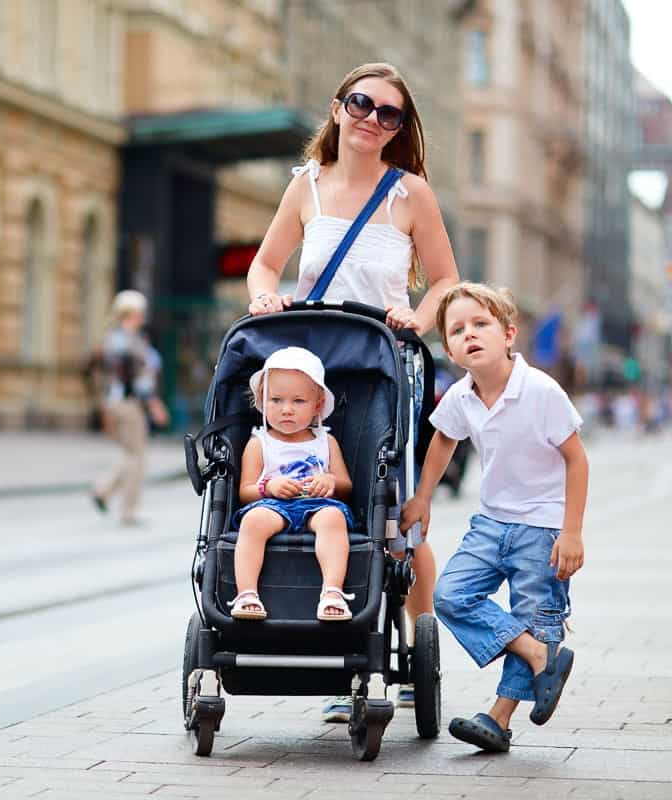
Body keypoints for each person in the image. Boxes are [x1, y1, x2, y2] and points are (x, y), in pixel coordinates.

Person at [245, 62, 460, 719]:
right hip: (312, 364)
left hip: (386, 363)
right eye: (361, 104)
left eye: (389, 113)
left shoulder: (410, 193)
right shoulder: (305, 187)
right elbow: (263, 263)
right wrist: (264, 297)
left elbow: (447, 281)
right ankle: (340, 650)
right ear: (338, 109)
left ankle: (409, 650)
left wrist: (418, 319)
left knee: (393, 515)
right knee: (322, 502)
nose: (372, 118)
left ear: (400, 128)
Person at [402, 283, 587, 753]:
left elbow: (577, 460)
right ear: (449, 349)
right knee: (449, 595)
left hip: (542, 528)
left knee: (535, 614)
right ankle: (538, 655)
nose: (470, 335)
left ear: (508, 334)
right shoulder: (462, 397)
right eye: (458, 330)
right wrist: (422, 498)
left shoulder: (541, 391)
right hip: (490, 524)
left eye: (480, 324)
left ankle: (498, 719)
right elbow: (443, 439)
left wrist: (571, 533)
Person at [230, 347, 357, 622]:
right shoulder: (259, 443)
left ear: (318, 405)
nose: (286, 409)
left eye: (298, 401)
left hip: (318, 504)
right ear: (262, 402)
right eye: (276, 400)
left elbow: (346, 485)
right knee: (252, 521)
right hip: (273, 504)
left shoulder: (326, 440)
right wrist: (269, 487)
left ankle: (332, 592)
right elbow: (245, 491)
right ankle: (247, 593)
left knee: (334, 518)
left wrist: (329, 481)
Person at [91, 290, 169, 526]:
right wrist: (154, 404)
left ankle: (103, 491)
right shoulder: (128, 342)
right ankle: (128, 510)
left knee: (130, 453)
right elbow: (137, 379)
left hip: (117, 401)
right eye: (140, 312)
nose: (143, 317)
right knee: (137, 456)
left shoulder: (113, 338)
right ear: (132, 313)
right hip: (129, 402)